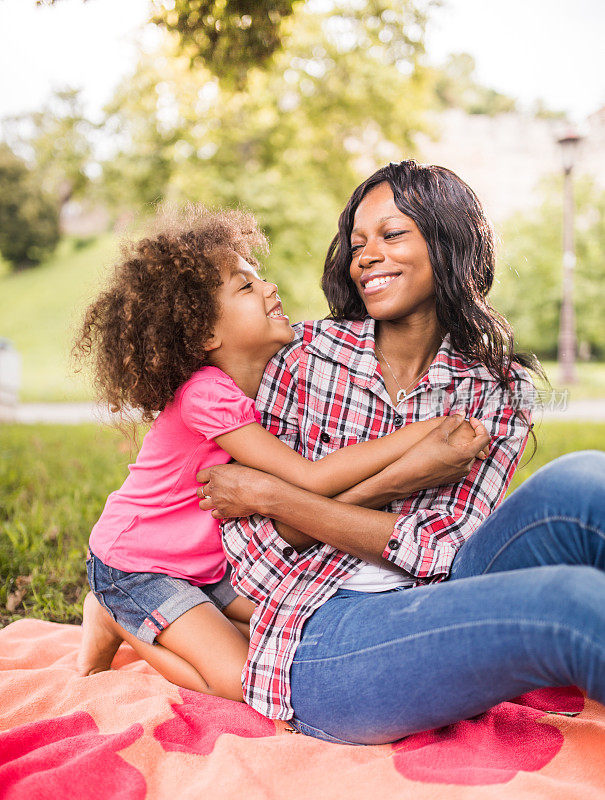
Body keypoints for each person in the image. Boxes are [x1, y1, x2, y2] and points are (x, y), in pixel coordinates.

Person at [197, 160, 605, 744]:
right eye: (357, 242)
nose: (365, 256)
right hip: (324, 636)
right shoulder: (301, 356)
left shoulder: (498, 389)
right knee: (567, 604)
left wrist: (278, 495)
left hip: (449, 597)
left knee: (586, 481)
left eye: (392, 235)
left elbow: (448, 556)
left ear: (447, 246)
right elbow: (255, 555)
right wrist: (400, 478)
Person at [74, 204, 490, 701]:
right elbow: (309, 479)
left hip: (200, 563)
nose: (270, 288)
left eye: (260, 278)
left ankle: (132, 616)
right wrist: (424, 431)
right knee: (238, 679)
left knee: (287, 635)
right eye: (246, 287)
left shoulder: (257, 382)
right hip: (136, 562)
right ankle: (120, 619)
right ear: (207, 334)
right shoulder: (206, 396)